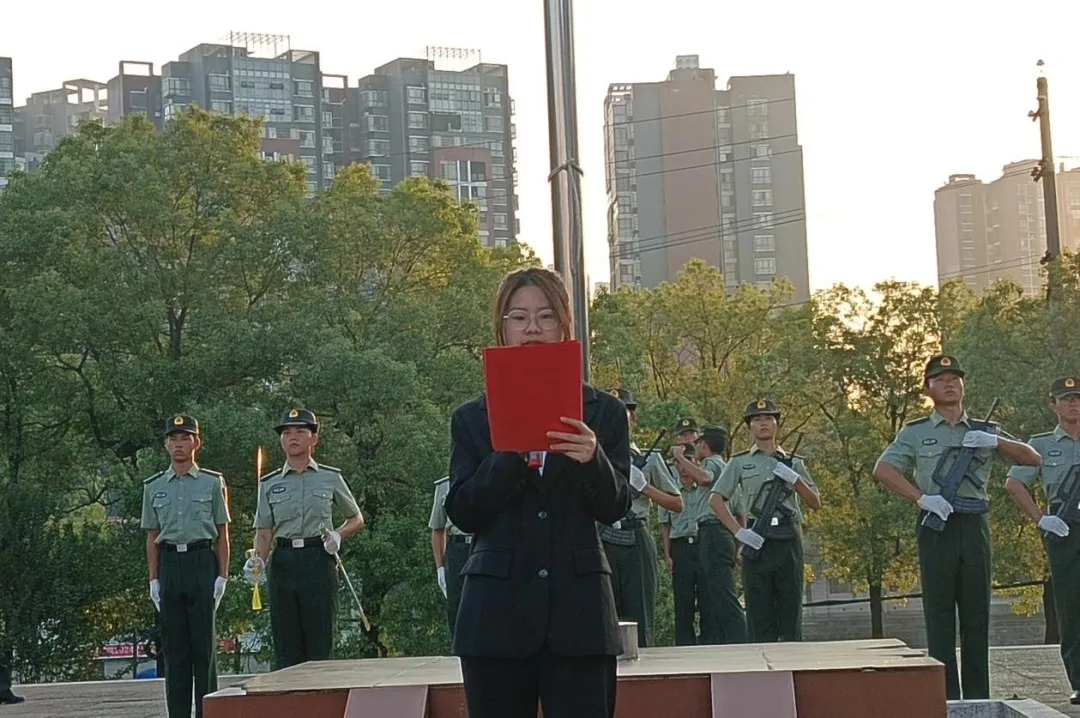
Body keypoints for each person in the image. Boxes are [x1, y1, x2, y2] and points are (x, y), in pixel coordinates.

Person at [445, 267, 632, 718]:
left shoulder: (603, 412)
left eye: (545, 316)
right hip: (496, 614)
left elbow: (616, 507)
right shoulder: (472, 418)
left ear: (564, 325)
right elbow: (463, 512)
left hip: (580, 614)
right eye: (519, 317)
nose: (532, 328)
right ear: (502, 328)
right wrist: (507, 456)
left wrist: (593, 459)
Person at [873, 355, 1040, 700]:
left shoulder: (983, 429)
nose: (950, 384)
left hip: (974, 523)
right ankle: (946, 697)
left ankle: (978, 698)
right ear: (927, 388)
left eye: (955, 378)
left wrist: (995, 442)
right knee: (939, 614)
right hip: (936, 524)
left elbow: (1032, 458)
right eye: (941, 379)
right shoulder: (916, 431)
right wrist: (921, 498)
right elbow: (884, 470)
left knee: (977, 613)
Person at [246, 408, 365, 669]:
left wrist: (337, 534)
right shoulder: (269, 483)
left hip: (318, 558)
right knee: (286, 644)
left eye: (300, 431)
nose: (292, 437)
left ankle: (320, 694)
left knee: (320, 641)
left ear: (314, 439)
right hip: (284, 560)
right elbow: (264, 531)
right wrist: (258, 563)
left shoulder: (329, 477)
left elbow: (356, 518)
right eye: (286, 433)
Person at [140, 415, 230, 718]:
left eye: (185, 439)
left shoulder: (211, 482)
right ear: (166, 445)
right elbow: (152, 536)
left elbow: (222, 532)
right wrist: (153, 579)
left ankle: (207, 712)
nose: (179, 445)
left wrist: (223, 575)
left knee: (204, 649)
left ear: (196, 443)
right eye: (173, 439)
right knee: (175, 648)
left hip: (201, 559)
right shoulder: (154, 486)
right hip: (170, 562)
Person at [709, 399, 821, 643]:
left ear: (777, 424)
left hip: (788, 537)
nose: (763, 424)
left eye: (769, 418)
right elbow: (716, 500)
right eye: (757, 419)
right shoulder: (739, 462)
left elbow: (815, 502)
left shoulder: (794, 461)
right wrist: (739, 532)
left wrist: (796, 480)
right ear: (749, 426)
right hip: (757, 538)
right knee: (759, 614)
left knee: (790, 610)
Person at [1004, 376, 1080, 705]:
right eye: (1066, 399)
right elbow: (1014, 483)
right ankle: (1079, 680)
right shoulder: (1041, 444)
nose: (1073, 404)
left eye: (1077, 398)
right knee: (1071, 606)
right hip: (1064, 528)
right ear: (1053, 405)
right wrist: (1040, 518)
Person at [600, 391, 682, 647]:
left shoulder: (650, 459)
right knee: (604, 618)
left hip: (635, 537)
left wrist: (645, 487)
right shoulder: (593, 457)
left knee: (641, 617)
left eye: (623, 414)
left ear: (633, 419)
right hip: (601, 538)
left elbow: (677, 503)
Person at [658, 418, 710, 645]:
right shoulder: (669, 478)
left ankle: (710, 644)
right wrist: (667, 554)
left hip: (704, 542)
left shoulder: (708, 472)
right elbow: (665, 523)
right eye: (683, 435)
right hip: (680, 546)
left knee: (708, 598)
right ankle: (684, 647)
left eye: (692, 434)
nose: (687, 438)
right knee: (683, 600)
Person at [694, 425, 747, 644]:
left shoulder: (712, 463)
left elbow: (704, 478)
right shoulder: (729, 470)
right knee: (719, 590)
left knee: (722, 592)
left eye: (698, 443)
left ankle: (738, 639)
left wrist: (680, 459)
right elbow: (741, 511)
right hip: (725, 534)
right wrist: (740, 542)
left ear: (704, 445)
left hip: (713, 530)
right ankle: (725, 639)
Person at [429, 475, 473, 642]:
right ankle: (458, 648)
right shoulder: (445, 485)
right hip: (458, 548)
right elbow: (437, 529)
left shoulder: (488, 478)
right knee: (456, 605)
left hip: (483, 545)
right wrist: (440, 567)